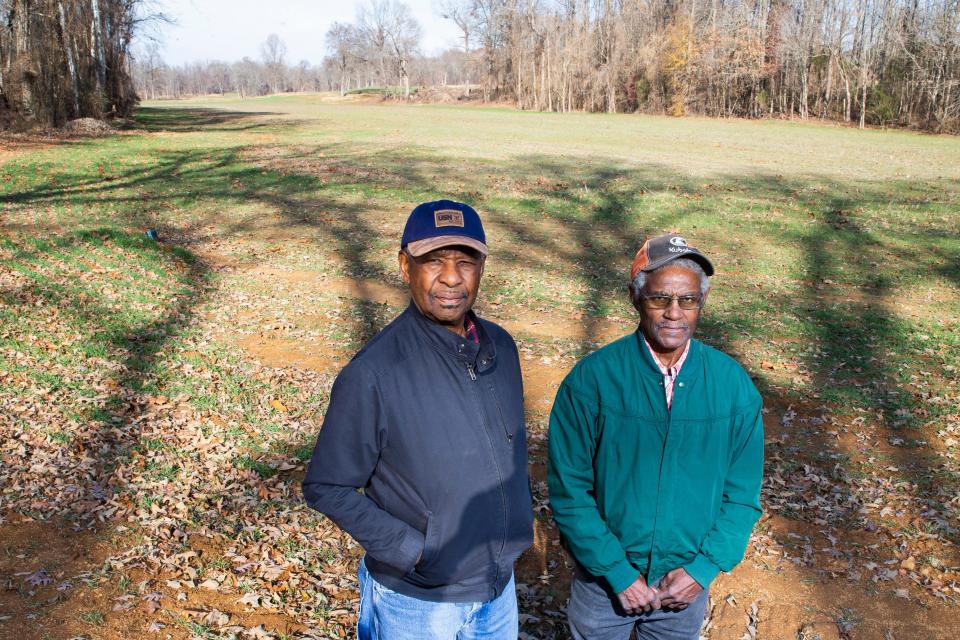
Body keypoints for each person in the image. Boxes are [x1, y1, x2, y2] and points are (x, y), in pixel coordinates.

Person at [302, 200, 533, 640]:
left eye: (465, 262)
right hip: (418, 601)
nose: (451, 277)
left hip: (498, 589)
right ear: (405, 266)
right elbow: (326, 486)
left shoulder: (501, 348)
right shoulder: (374, 372)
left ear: (482, 267)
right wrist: (413, 550)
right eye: (433, 261)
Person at [547, 233, 764, 640]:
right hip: (604, 584)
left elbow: (742, 495)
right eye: (659, 299)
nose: (674, 313)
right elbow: (569, 491)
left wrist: (702, 570)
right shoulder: (592, 381)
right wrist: (616, 571)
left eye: (688, 300)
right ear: (635, 298)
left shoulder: (732, 386)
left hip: (683, 584)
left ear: (703, 304)